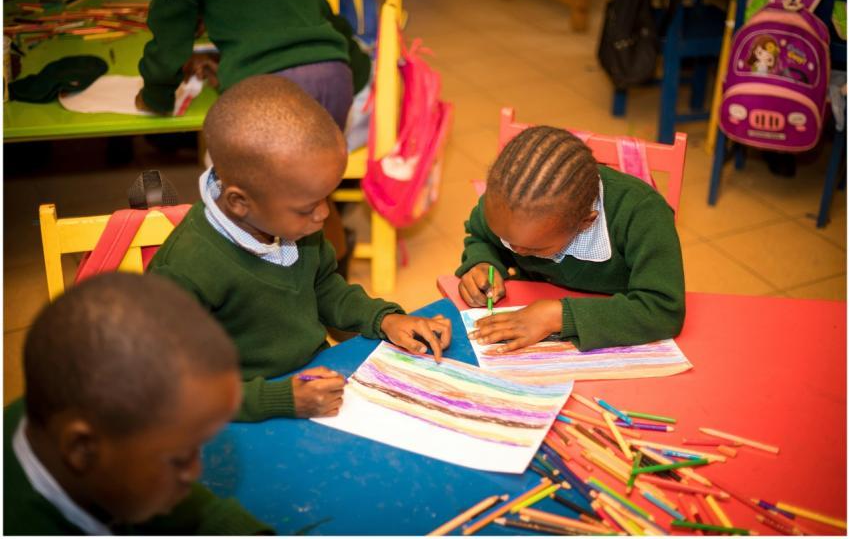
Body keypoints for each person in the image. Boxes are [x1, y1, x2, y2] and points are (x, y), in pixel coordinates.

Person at [148, 75, 451, 423]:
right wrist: (280, 399)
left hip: (311, 384)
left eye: (328, 198)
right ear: (239, 202)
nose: (324, 214)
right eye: (308, 207)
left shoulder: (286, 221)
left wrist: (383, 318)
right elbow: (177, 387)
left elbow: (323, 287)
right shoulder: (184, 270)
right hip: (241, 410)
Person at [4, 273, 272, 535]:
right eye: (179, 460)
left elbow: (195, 512)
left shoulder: (60, 408)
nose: (195, 472)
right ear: (81, 448)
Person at [135, 0, 372, 270]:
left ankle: (260, 282)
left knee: (250, 198)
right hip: (334, 74)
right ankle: (330, 271)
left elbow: (172, 20)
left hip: (267, 85)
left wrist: (157, 92)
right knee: (312, 190)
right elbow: (312, 11)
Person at [456, 126, 685, 352]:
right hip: (530, 302)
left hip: (615, 332)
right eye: (505, 238)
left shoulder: (642, 213)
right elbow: (481, 237)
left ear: (586, 222)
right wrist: (482, 263)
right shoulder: (507, 200)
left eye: (533, 247)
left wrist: (558, 316)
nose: (513, 249)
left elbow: (663, 310)